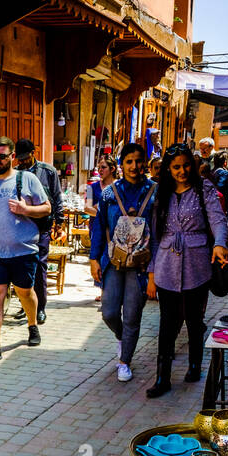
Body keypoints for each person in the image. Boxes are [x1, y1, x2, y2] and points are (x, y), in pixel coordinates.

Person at [145, 144, 228, 398]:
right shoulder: (161, 193)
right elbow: (153, 235)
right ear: (168, 169)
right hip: (165, 264)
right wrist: (151, 272)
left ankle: (195, 364)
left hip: (197, 263)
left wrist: (219, 243)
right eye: (175, 167)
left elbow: (217, 218)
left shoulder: (204, 188)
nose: (182, 171)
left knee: (194, 319)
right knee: (167, 322)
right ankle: (163, 377)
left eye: (185, 166)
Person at [0, 136, 50, 366]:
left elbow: (47, 208)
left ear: (12, 157)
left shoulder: (27, 179)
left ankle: (32, 324)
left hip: (24, 250)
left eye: (2, 156)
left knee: (25, 293)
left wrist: (26, 208)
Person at [90, 142, 157, 383]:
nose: (134, 166)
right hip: (113, 261)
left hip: (140, 264)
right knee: (109, 312)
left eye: (139, 161)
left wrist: (152, 273)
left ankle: (124, 361)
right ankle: (122, 338)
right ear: (121, 165)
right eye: (129, 161)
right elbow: (99, 226)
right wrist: (93, 259)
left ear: (145, 163)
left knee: (132, 315)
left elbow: (159, 234)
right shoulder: (109, 193)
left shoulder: (155, 193)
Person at [14, 138, 62, 325]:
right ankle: (26, 305)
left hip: (42, 225)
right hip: (21, 227)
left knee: (40, 266)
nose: (23, 162)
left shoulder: (47, 171)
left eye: (25, 157)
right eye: (19, 159)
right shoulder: (16, 173)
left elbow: (57, 197)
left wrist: (59, 222)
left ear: (34, 153)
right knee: (22, 267)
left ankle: (40, 307)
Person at [85, 154, 118, 302]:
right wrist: (103, 212)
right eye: (99, 168)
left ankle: (111, 289)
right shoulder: (92, 187)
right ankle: (103, 288)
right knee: (98, 256)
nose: (100, 170)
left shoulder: (119, 186)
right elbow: (87, 208)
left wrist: (99, 210)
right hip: (97, 227)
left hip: (115, 229)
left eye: (103, 167)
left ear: (112, 169)